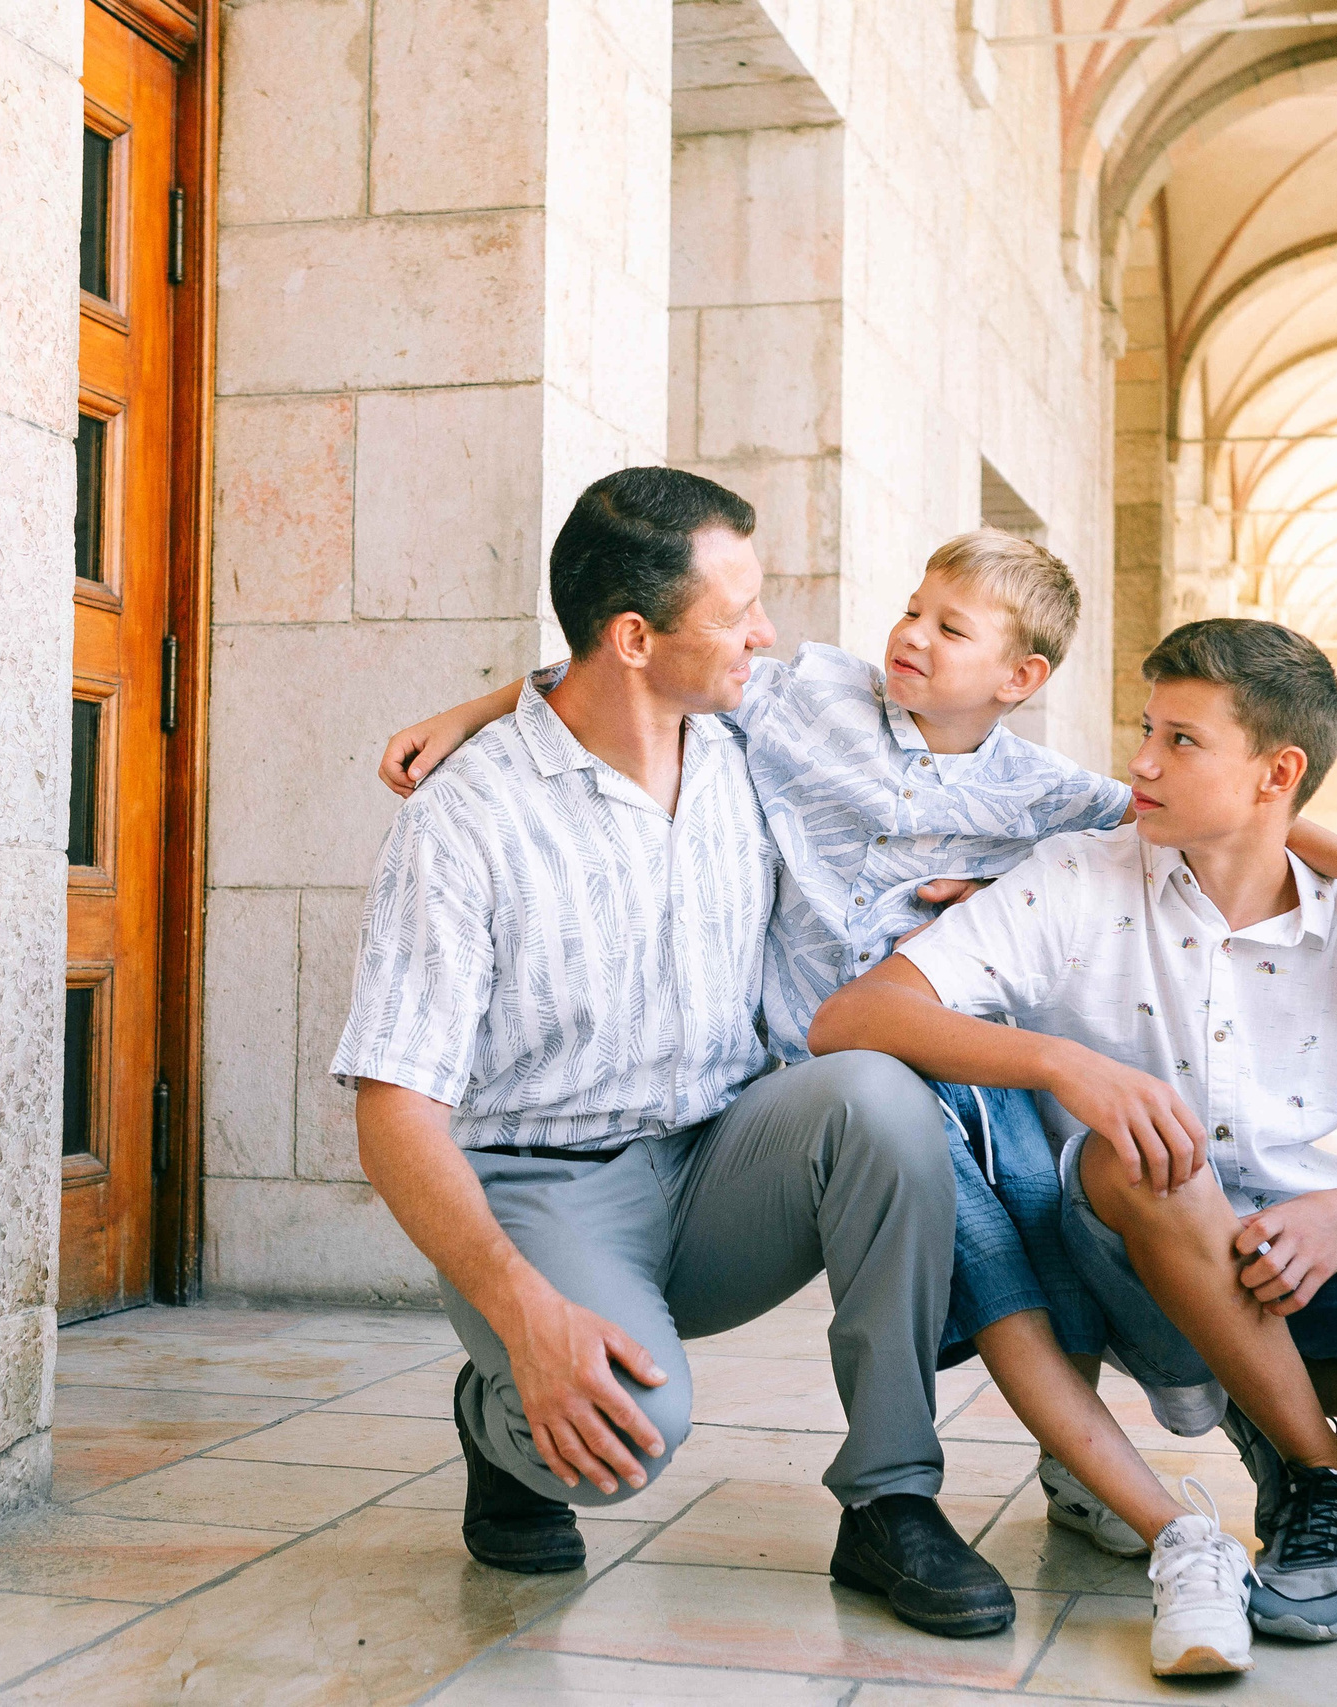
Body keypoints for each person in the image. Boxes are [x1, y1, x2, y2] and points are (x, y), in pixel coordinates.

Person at [384, 536, 1337, 1677]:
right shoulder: (805, 695)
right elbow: (626, 659)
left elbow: (1217, 804)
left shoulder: (1037, 791)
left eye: (951, 629)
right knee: (641, 1415)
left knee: (994, 1180)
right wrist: (475, 710)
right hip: (736, 1095)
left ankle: (898, 1498)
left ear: (1019, 680)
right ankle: (499, 1426)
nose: (910, 636)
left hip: (824, 1103)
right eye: (913, 610)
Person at [810, 616, 1337, 1654]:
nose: (1140, 761)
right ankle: (1318, 1475)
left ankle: (1253, 1387)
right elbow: (851, 1019)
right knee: (1151, 1153)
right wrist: (1068, 1065)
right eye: (1147, 729)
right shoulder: (1077, 877)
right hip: (1116, 1262)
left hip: (1291, 1265)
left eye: (1180, 741)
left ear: (1277, 773)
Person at [334, 467, 1013, 1639]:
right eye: (736, 612)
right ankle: (498, 1422)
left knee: (878, 1100)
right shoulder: (464, 821)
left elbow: (983, 790)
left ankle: (891, 1498)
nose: (767, 633)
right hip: (542, 1190)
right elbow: (393, 1108)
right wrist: (526, 1314)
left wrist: (1000, 882)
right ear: (636, 637)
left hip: (718, 1163)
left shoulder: (750, 748)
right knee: (621, 1447)